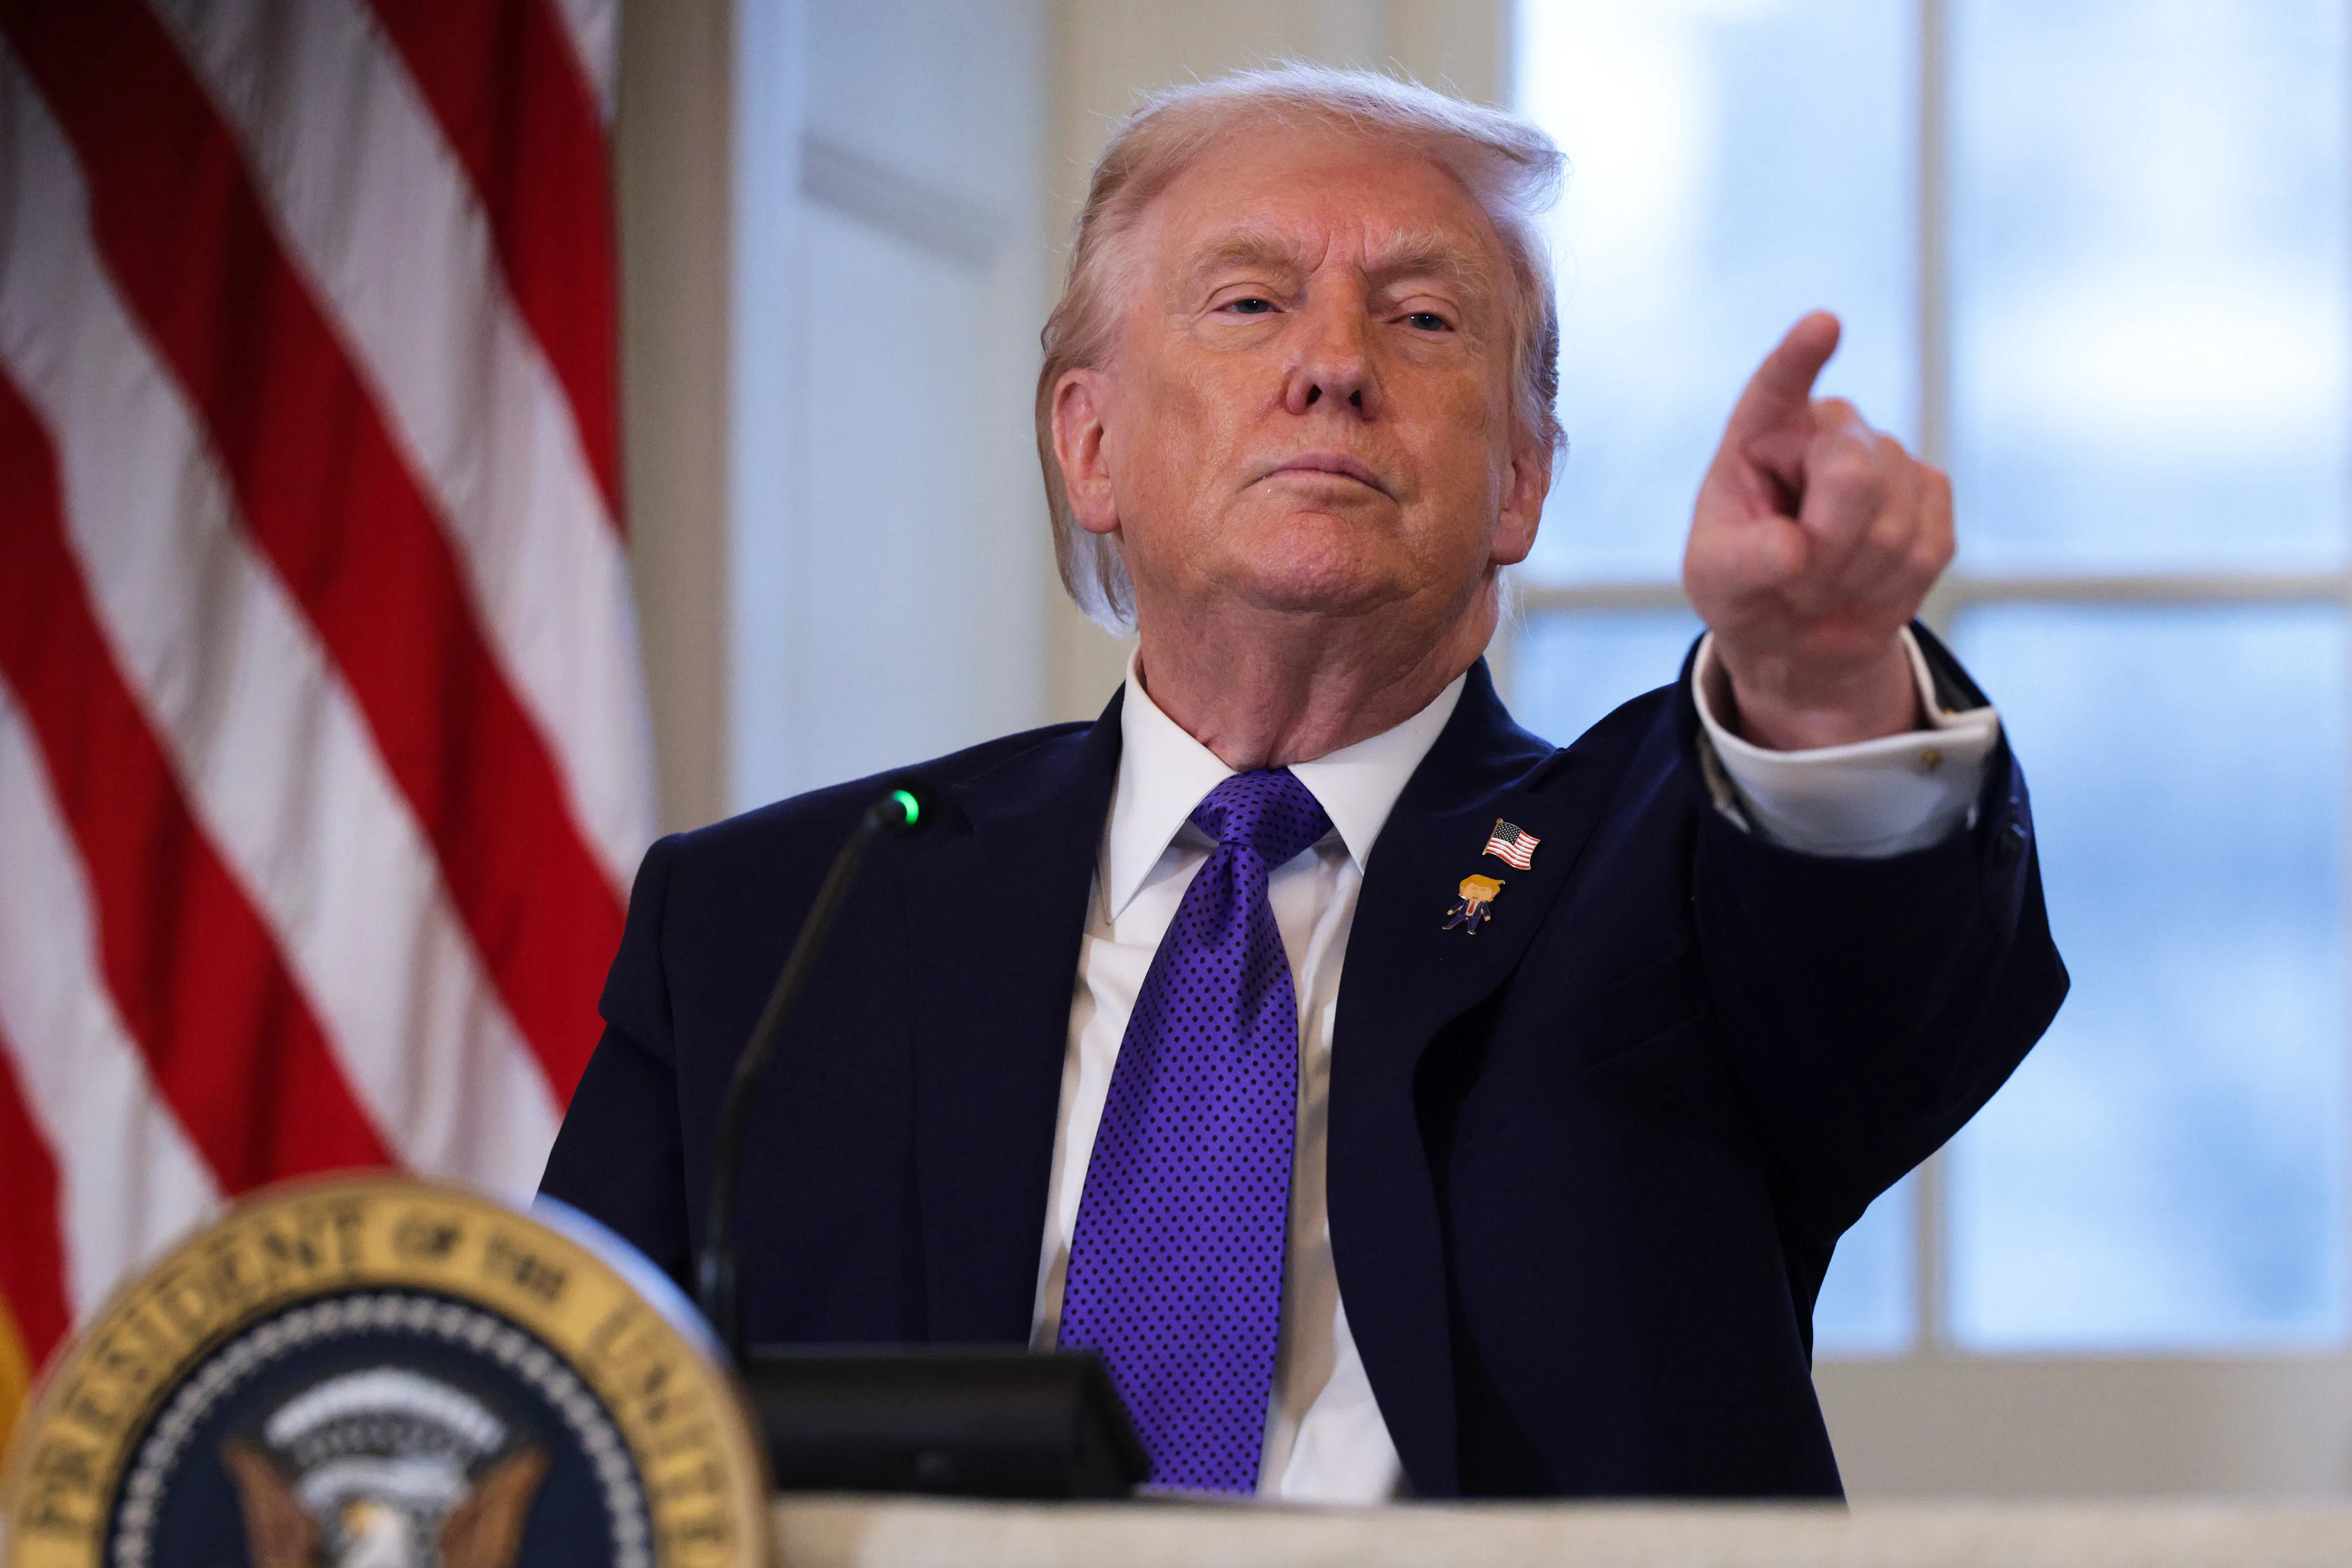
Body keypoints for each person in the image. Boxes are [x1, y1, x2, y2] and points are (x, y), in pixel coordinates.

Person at [542, 65, 2065, 1502]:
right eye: (1250, 301)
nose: (1333, 365)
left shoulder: (1656, 870)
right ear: (1090, 448)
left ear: (1521, 479)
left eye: (1419, 321)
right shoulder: (783, 921)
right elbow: (568, 1431)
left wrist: (1812, 680)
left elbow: (1876, 988)